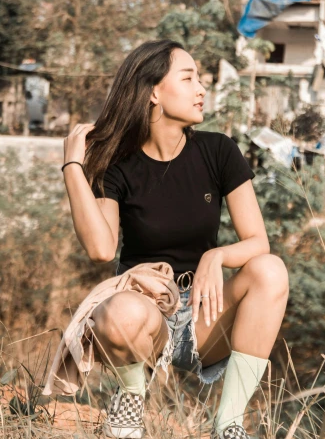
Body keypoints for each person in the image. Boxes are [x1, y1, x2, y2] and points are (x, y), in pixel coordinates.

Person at [61, 39, 289, 439]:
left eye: (200, 79)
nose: (202, 88)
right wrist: (72, 166)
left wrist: (215, 256)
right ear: (153, 92)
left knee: (270, 271)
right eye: (188, 78)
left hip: (206, 315)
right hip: (146, 315)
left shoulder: (218, 151)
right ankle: (131, 396)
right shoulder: (118, 167)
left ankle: (229, 424)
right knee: (118, 311)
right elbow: (100, 249)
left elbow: (257, 242)